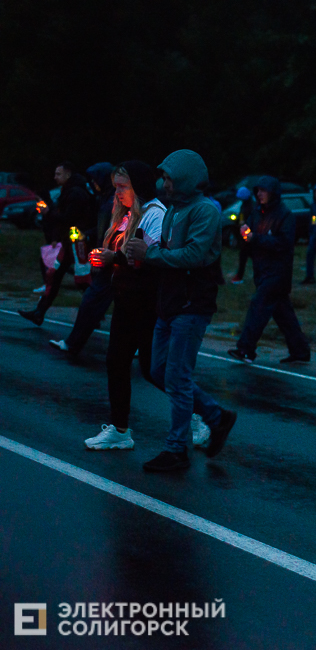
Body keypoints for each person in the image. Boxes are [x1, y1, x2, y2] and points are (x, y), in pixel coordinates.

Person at [125, 149, 236, 472]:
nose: (165, 183)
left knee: (177, 376)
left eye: (170, 177)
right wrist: (144, 250)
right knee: (157, 370)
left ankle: (177, 449)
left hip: (192, 303)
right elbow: (169, 251)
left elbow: (194, 257)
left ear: (186, 178)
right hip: (170, 302)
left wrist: (151, 255)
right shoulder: (173, 209)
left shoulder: (205, 211)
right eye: (164, 177)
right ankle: (216, 416)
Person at [83, 162, 166, 448]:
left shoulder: (155, 215)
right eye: (116, 186)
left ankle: (199, 413)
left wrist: (113, 259)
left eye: (123, 186)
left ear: (138, 187)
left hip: (145, 302)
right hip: (125, 299)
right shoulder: (127, 217)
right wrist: (103, 256)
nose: (117, 193)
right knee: (118, 362)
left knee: (152, 368)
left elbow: (148, 260)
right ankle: (120, 430)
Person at [227, 176, 311, 364]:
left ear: (273, 193)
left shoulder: (285, 215)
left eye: (263, 191)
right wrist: (244, 235)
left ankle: (245, 349)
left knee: (258, 307)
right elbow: (248, 233)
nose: (259, 194)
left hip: (277, 273)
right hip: (262, 271)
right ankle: (300, 351)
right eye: (258, 191)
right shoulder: (256, 213)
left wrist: (256, 238)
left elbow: (284, 243)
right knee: (284, 315)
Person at [47, 162, 119, 354]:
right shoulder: (106, 198)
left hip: (111, 261)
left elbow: (111, 232)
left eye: (95, 179)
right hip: (111, 260)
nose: (93, 184)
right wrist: (86, 235)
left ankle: (73, 343)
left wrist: (99, 255)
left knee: (92, 301)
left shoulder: (113, 201)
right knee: (107, 304)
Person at [18, 162, 96, 326]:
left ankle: (94, 314)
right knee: (59, 276)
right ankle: (40, 312)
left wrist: (48, 213)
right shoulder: (70, 191)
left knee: (79, 279)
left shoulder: (75, 193)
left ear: (68, 174)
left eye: (58, 174)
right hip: (70, 241)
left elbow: (67, 218)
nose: (55, 177)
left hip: (75, 242)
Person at [229, 186, 255, 285]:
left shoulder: (249, 207)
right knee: (248, 255)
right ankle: (239, 276)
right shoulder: (245, 205)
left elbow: (247, 220)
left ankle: (239, 276)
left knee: (246, 254)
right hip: (245, 234)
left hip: (247, 234)